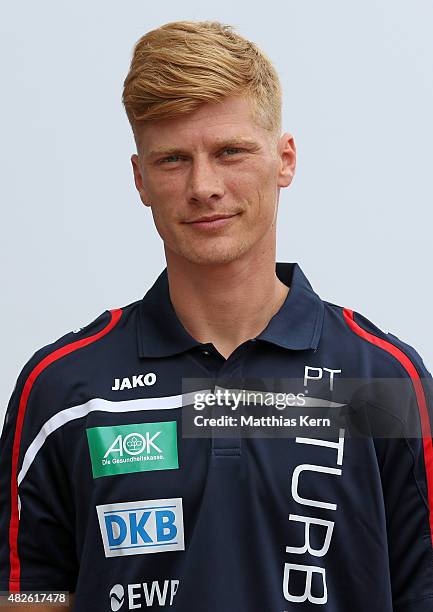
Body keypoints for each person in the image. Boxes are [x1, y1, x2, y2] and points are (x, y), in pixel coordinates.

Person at [1, 19, 432, 612]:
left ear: (284, 160)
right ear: (140, 179)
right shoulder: (62, 390)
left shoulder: (384, 382)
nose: (204, 186)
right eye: (173, 159)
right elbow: (29, 595)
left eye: (230, 151)